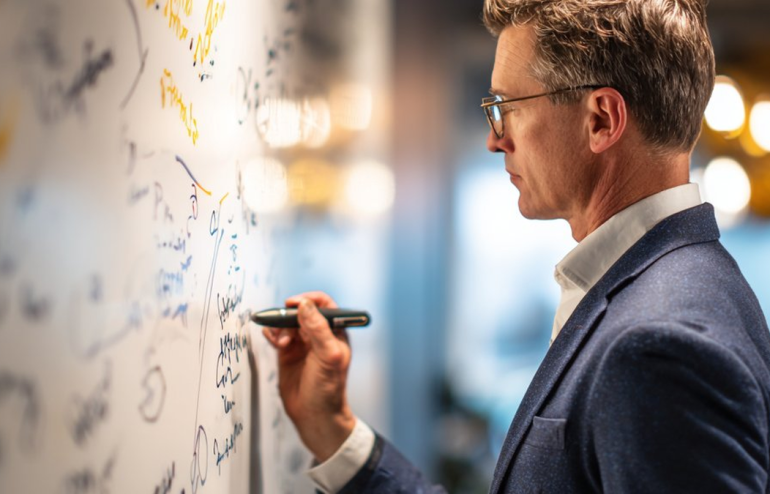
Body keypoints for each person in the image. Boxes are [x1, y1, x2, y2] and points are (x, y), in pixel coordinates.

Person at [262, 0, 770, 492]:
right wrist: (336, 432)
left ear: (601, 119)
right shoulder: (683, 288)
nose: (495, 139)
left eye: (506, 107)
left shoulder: (659, 346)